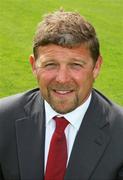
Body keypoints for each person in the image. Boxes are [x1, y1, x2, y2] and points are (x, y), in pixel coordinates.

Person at [0, 10, 123, 180]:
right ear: (34, 66)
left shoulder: (120, 133)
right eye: (51, 65)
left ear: (96, 67)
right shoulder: (3, 119)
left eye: (75, 65)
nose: (62, 79)